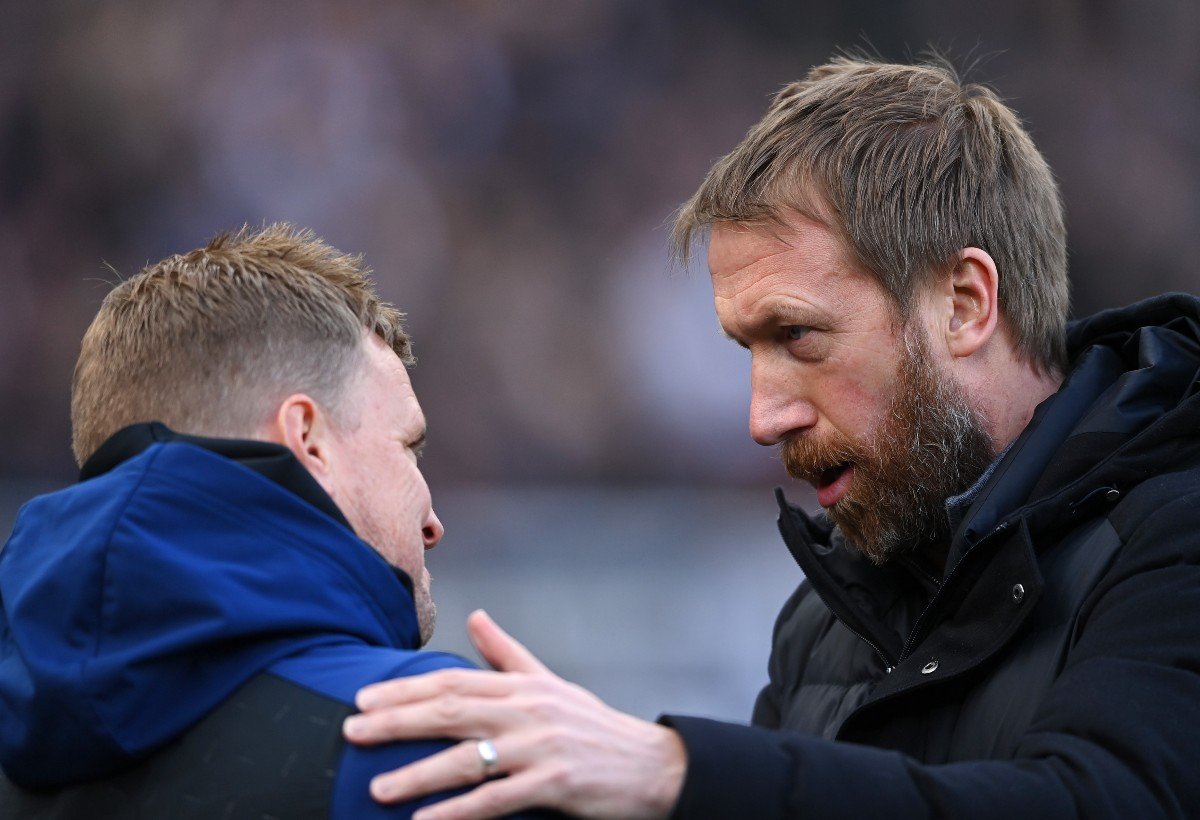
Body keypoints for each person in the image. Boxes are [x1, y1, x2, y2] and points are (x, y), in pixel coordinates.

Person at [340, 57, 1200, 819]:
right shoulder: (826, 616)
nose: (762, 418)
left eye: (799, 338)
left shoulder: (1174, 533)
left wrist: (674, 772)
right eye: (746, 350)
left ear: (964, 304)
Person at [0, 225, 552, 818]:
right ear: (307, 439)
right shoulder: (440, 747)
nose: (434, 523)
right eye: (408, 448)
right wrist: (665, 777)